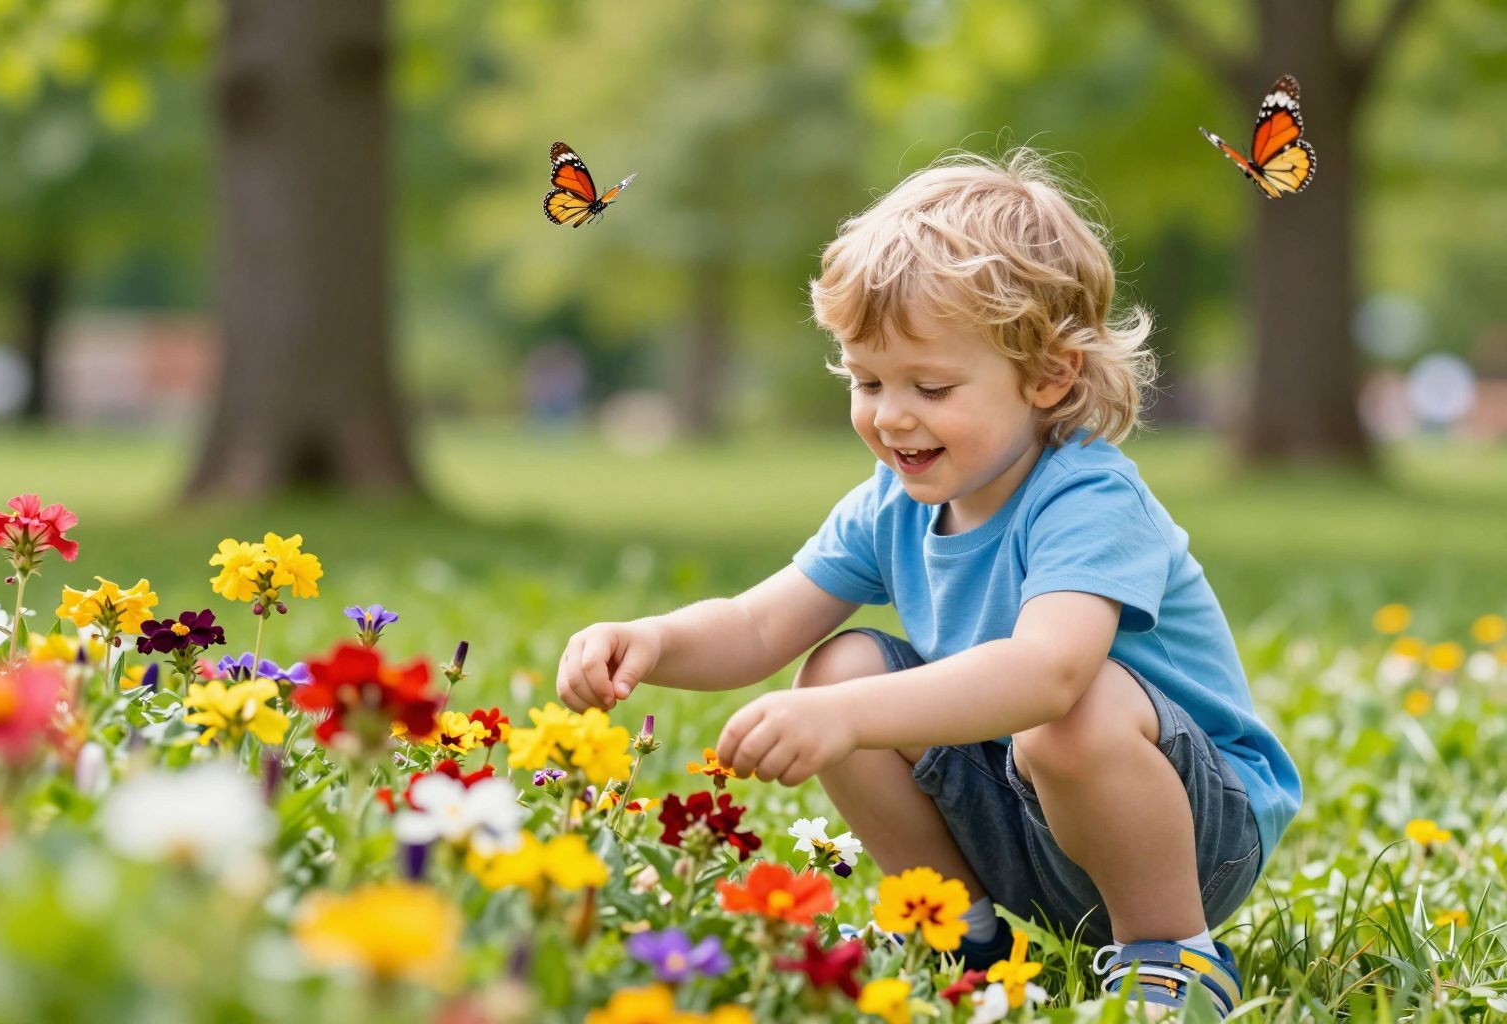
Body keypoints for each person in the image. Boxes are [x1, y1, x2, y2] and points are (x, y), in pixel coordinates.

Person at [555, 150, 1300, 1019]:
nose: (891, 414)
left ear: (1049, 376)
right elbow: (760, 627)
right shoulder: (895, 504)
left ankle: (1170, 955)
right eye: (867, 380)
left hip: (1188, 831)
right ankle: (961, 932)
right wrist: (653, 640)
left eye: (932, 386)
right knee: (838, 667)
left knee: (1071, 710)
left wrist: (846, 722)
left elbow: (1047, 675)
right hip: (1025, 816)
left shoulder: (1090, 496)